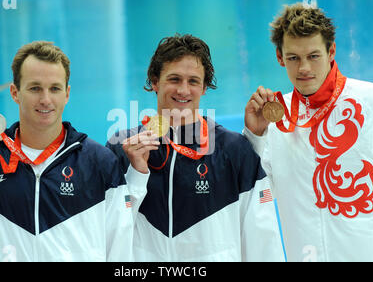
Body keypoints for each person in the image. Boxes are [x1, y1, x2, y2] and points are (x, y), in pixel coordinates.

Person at [0, 41, 152, 262]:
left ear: (66, 94)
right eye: (35, 88)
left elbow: (119, 252)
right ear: (14, 92)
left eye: (55, 89)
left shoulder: (100, 163)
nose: (46, 99)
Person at [107, 34, 285, 262]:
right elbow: (106, 236)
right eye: (174, 79)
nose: (183, 90)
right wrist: (136, 176)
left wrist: (254, 140)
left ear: (204, 88)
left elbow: (263, 238)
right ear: (154, 81)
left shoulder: (232, 149)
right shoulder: (123, 147)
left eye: (193, 81)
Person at [244, 3, 373, 261]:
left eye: (313, 56)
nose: (304, 68)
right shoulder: (275, 118)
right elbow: (258, 193)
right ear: (279, 57)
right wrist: (254, 135)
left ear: (331, 51)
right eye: (293, 58)